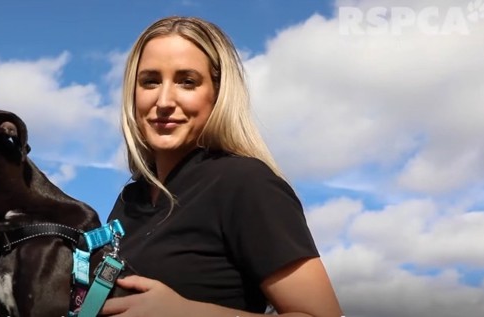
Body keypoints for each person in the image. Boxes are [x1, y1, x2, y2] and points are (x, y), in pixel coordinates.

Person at [100, 16, 343, 317]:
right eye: (150, 81)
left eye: (187, 81)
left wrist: (186, 313)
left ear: (217, 93)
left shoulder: (245, 183)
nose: (163, 100)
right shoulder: (130, 201)